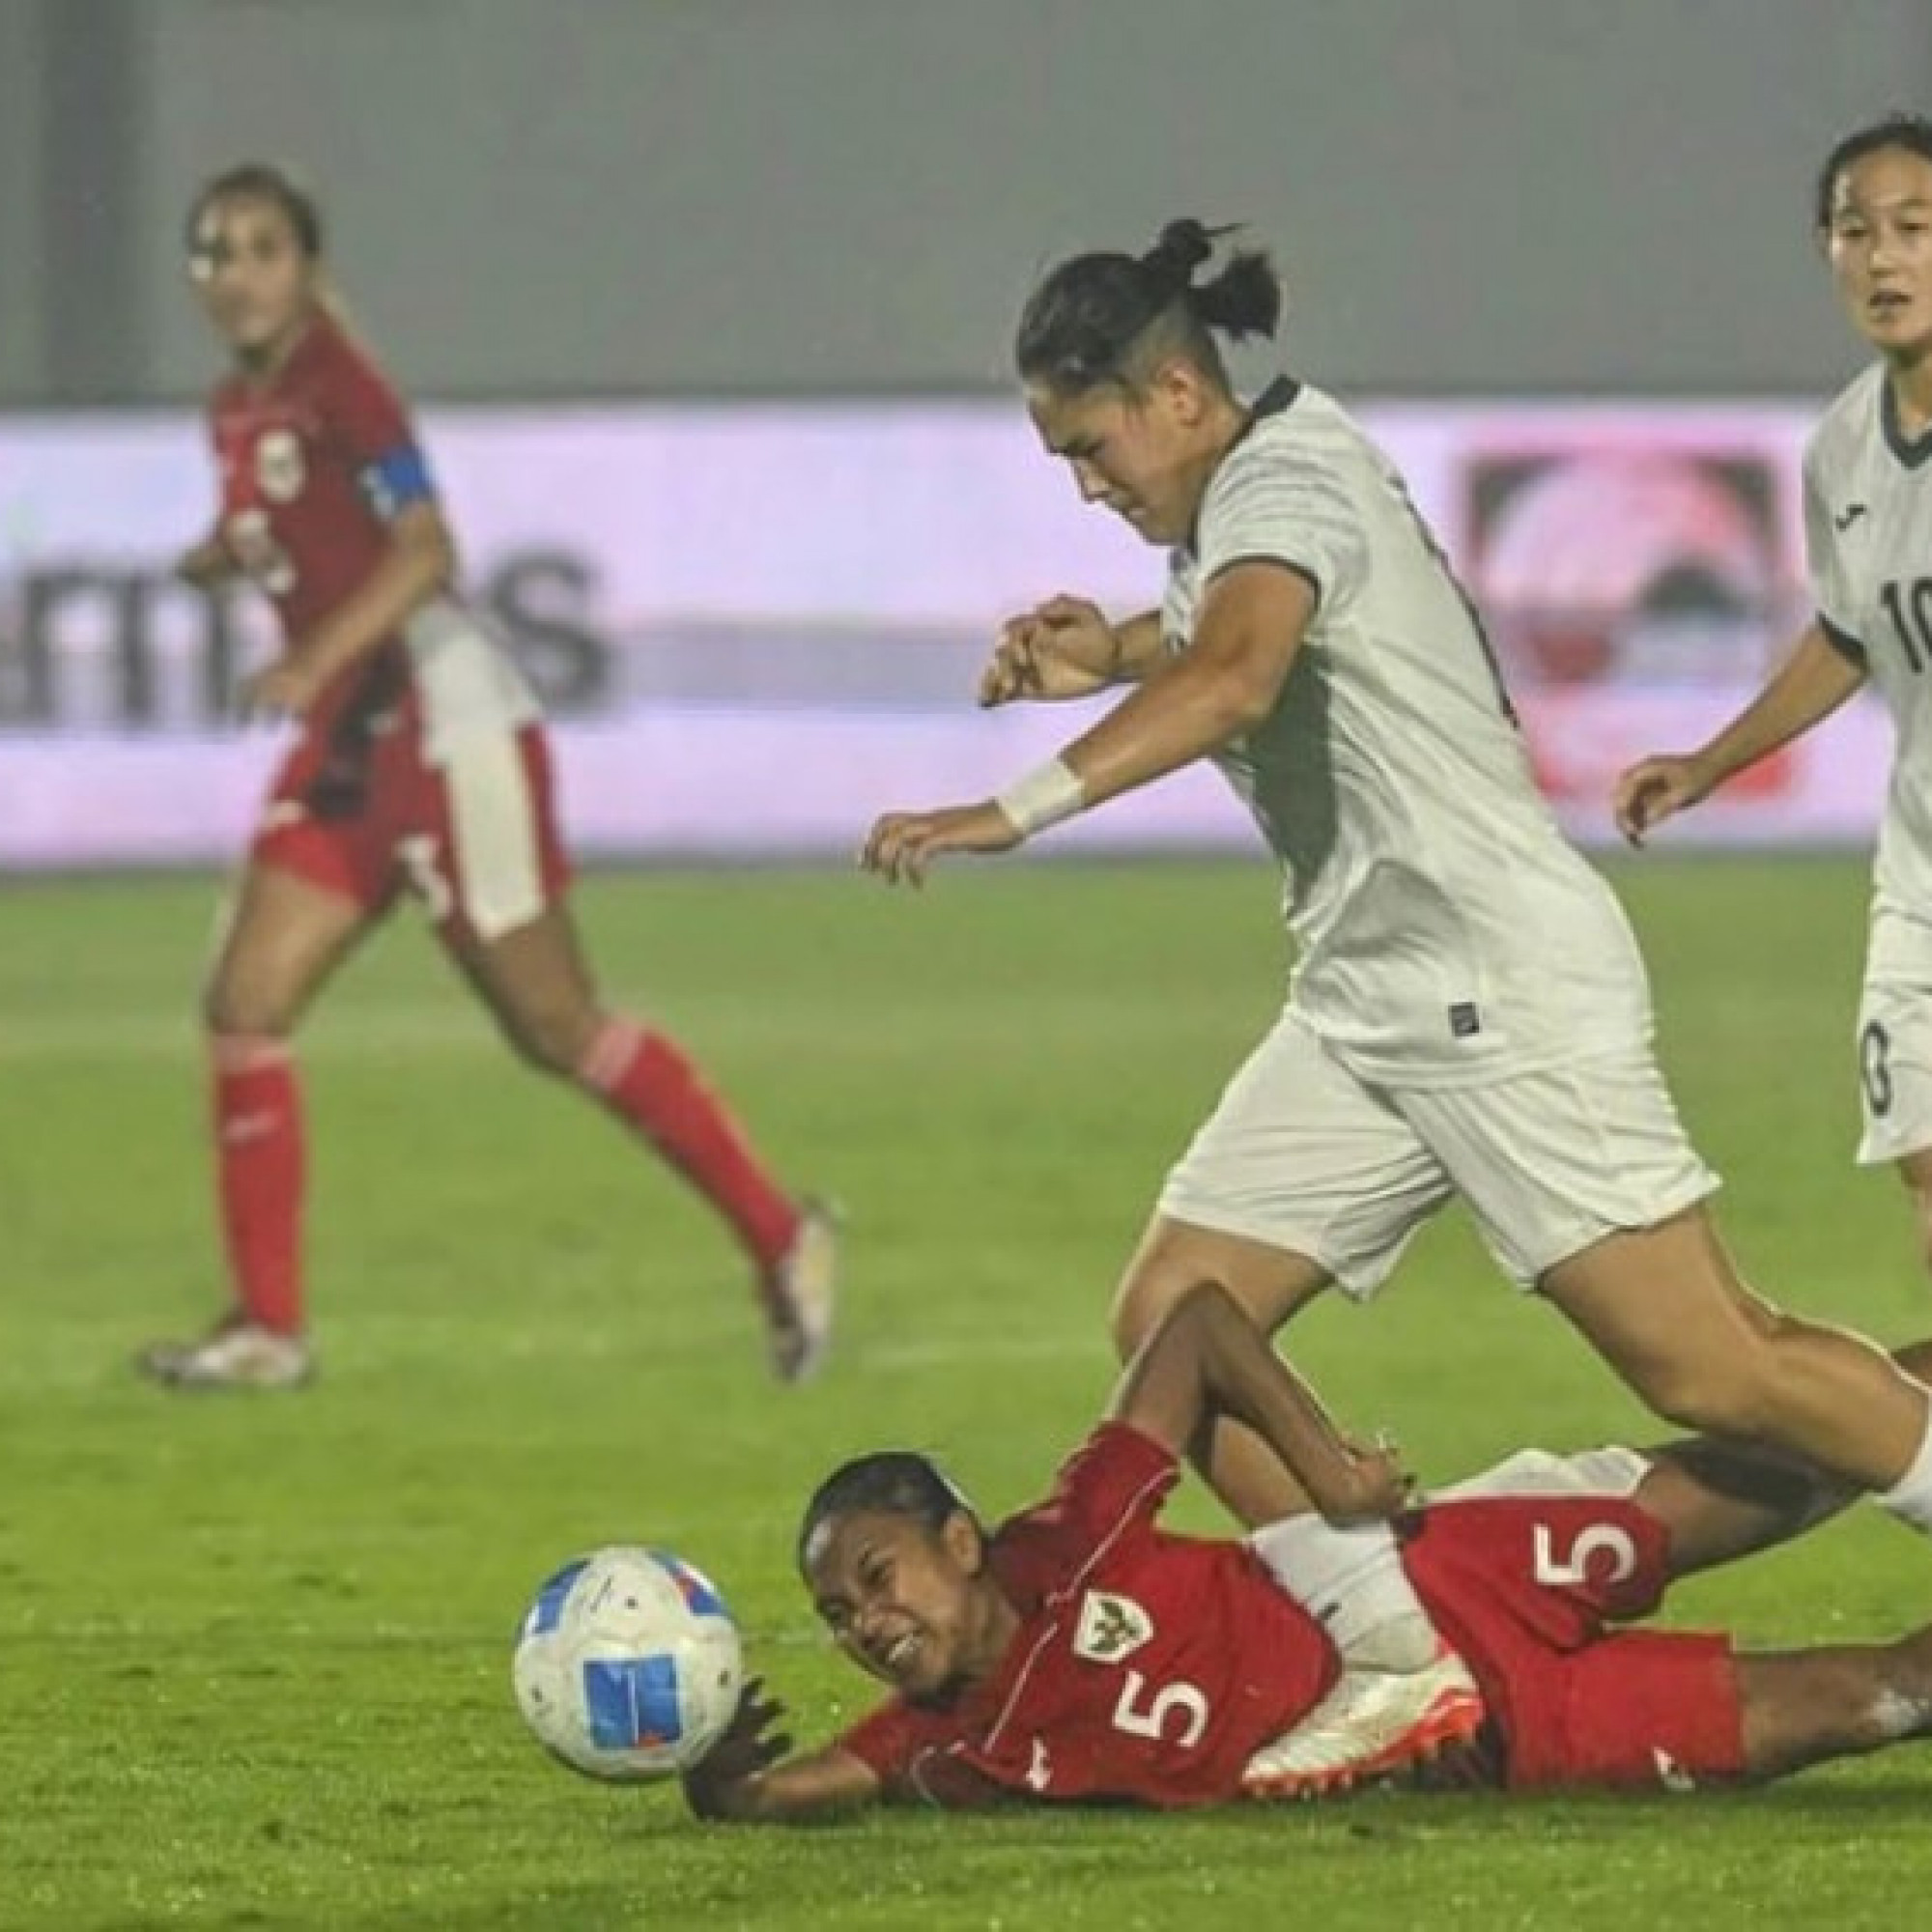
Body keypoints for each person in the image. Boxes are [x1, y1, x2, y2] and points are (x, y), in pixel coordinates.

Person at [858, 215, 1932, 1542]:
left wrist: (1010, 808)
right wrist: (1118, 650)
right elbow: (1235, 627)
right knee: (1176, 1317)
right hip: (1366, 1003)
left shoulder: (1284, 487)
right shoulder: (1245, 498)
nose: (1087, 487)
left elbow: (1238, 674)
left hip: (1495, 984)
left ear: (1177, 393)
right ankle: (1378, 1629)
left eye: (1090, 446)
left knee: (1715, 1367)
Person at [138, 163, 834, 1389]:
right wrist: (218, 556)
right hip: (350, 748)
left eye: (260, 248)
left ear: (305, 267)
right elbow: (294, 532)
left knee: (559, 1026)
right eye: (214, 252)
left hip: (446, 728)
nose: (235, 273)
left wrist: (308, 657)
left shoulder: (342, 387)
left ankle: (782, 1234)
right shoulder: (234, 408)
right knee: (243, 1003)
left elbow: (426, 550)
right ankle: (267, 1331)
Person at [681, 1281, 1932, 1821]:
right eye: (838, 1614)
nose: (865, 1622)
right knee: (1873, 1697)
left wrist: (1330, 1473)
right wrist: (713, 1777)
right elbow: (784, 1794)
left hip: (1453, 1574)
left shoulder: (1068, 1539)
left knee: (1799, 1456)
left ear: (960, 1541)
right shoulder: (943, 1741)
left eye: (875, 1576)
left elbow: (1194, 1324)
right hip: (1509, 1740)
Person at [1616, 112, 1932, 1277]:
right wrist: (1709, 761)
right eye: (1855, 231)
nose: (1882, 258)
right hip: (1920, 876)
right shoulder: (1842, 445)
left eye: (1913, 227)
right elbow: (1847, 633)